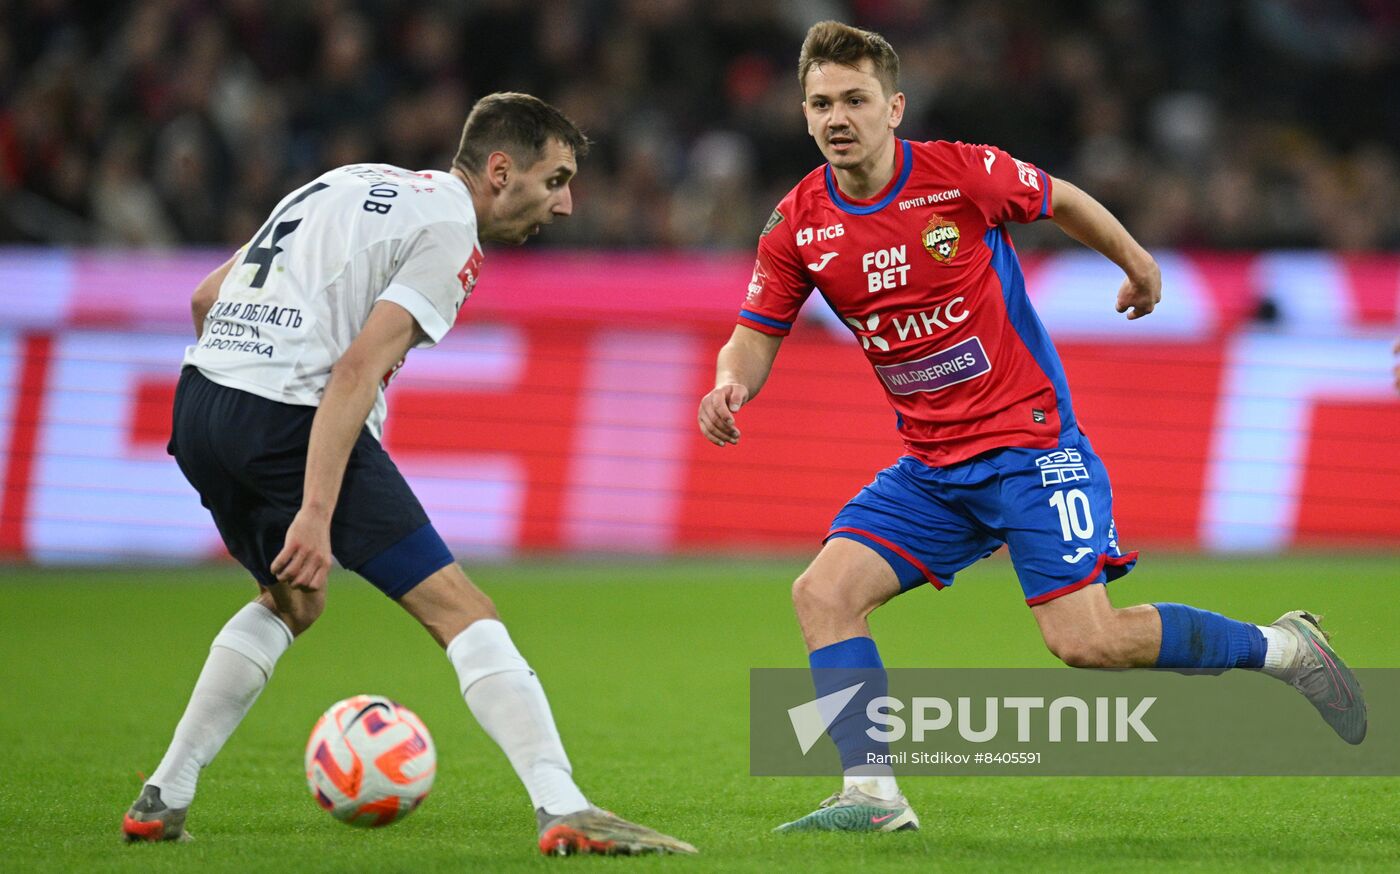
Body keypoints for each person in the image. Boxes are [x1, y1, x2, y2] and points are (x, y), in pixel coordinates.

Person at [697, 21, 1367, 834]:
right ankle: (872, 797)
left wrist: (1138, 262)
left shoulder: (958, 174)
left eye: (855, 99)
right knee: (824, 594)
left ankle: (1286, 650)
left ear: (894, 106)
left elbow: (1063, 199)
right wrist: (731, 384)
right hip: (933, 469)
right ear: (803, 115)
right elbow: (756, 329)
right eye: (820, 103)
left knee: (1088, 643)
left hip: (1030, 446)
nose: (838, 116)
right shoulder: (798, 223)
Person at [122, 92, 695, 857]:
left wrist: (245, 391)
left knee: (292, 599)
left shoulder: (346, 181)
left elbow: (205, 297)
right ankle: (565, 806)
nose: (565, 204)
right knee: (461, 609)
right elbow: (356, 368)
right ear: (499, 170)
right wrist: (315, 509)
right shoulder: (450, 228)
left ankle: (164, 796)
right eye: (555, 179)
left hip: (200, 406)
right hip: (291, 415)